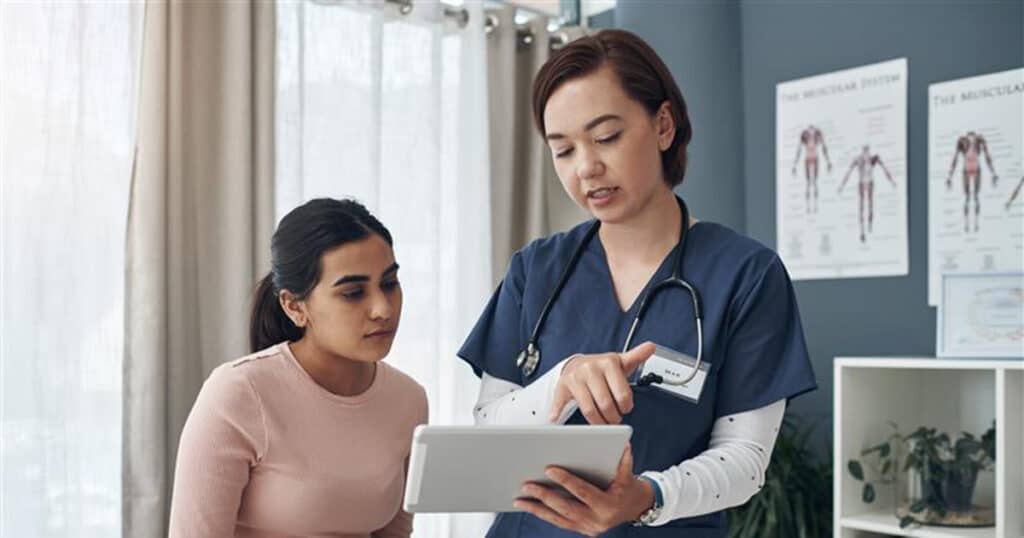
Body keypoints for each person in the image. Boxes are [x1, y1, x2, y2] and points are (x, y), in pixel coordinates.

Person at [458, 29, 816, 537]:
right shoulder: (535, 270)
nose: (587, 168)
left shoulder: (746, 276)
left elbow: (744, 458)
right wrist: (561, 382)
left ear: (663, 125)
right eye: (563, 151)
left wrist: (647, 498)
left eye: (606, 138)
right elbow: (490, 430)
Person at [169, 198, 427, 538]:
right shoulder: (239, 393)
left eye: (389, 284)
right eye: (353, 293)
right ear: (294, 306)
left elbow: (394, 534)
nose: (382, 308)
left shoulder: (408, 400)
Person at [838, 145, 896, 242]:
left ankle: (870, 226)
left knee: (870, 205)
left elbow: (884, 169)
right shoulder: (858, 159)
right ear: (862, 151)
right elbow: (849, 172)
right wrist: (842, 186)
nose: (866, 153)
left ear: (869, 151)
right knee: (861, 207)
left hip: (870, 183)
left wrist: (892, 181)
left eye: (867, 151)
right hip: (862, 183)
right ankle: (862, 232)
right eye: (864, 151)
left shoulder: (873, 158)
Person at [946, 131, 999, 232]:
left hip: (976, 168)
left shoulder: (980, 140)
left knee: (976, 197)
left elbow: (987, 156)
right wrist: (950, 176)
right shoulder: (962, 141)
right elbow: (955, 158)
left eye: (973, 138)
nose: (971, 139)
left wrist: (993, 173)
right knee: (967, 198)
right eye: (970, 138)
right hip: (966, 169)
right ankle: (966, 224)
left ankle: (976, 224)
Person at [791, 124, 832, 214]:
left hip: (815, 157)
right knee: (808, 183)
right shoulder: (804, 134)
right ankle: (808, 207)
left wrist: (828, 161)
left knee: (815, 182)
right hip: (808, 158)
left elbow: (824, 147)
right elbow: (799, 149)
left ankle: (815, 206)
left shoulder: (818, 133)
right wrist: (795, 165)